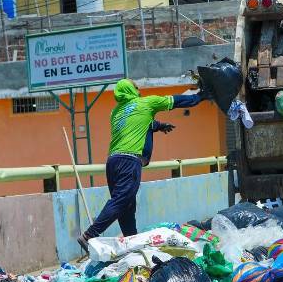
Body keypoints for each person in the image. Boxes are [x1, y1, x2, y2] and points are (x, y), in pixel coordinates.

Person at [77, 79, 207, 251]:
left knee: (127, 207)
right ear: (132, 89)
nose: (140, 91)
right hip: (129, 161)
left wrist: (159, 126)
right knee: (120, 201)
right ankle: (89, 235)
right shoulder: (146, 103)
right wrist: (202, 96)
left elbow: (142, 124)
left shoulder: (116, 112)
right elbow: (181, 101)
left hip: (113, 162)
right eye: (137, 87)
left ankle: (133, 244)